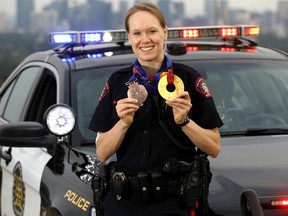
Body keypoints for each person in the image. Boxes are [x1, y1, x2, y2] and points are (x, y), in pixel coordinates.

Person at [89, 2, 223, 216]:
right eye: (137, 33)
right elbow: (102, 152)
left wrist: (185, 122)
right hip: (125, 203)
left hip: (176, 203)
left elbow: (214, 148)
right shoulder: (117, 82)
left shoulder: (188, 79)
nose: (145, 39)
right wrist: (123, 123)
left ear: (164, 33)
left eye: (152, 31)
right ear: (130, 38)